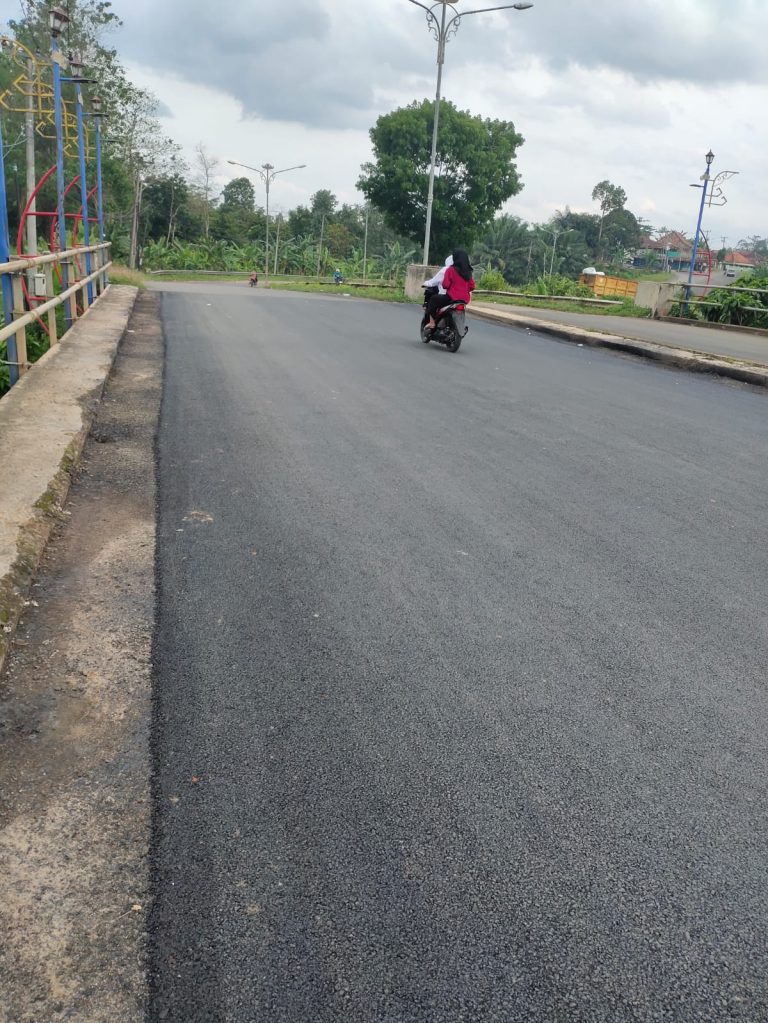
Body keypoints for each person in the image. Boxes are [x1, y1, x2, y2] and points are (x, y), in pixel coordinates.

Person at [425, 249, 475, 331]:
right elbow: (472, 286)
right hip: (464, 301)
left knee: (433, 299)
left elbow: (445, 285)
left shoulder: (451, 270)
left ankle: (432, 323)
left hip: (451, 298)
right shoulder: (468, 272)